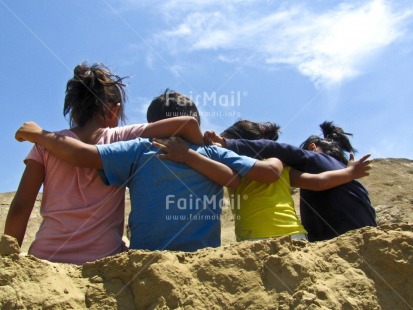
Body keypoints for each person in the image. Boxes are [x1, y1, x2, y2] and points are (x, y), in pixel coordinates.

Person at [14, 90, 283, 252]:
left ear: (154, 125)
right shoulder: (211, 151)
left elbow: (83, 156)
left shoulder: (138, 149)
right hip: (203, 255)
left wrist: (41, 135)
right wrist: (279, 159)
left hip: (145, 256)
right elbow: (240, 179)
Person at [5, 65, 205, 265]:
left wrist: (8, 257)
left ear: (73, 109)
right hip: (103, 261)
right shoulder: (122, 137)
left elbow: (20, 207)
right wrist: (209, 150)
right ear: (113, 110)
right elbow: (188, 124)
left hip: (46, 258)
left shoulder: (44, 145)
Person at [161, 120, 371, 242]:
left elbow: (317, 182)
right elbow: (317, 182)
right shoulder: (232, 164)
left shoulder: (277, 163)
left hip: (287, 236)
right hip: (265, 239)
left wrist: (350, 174)